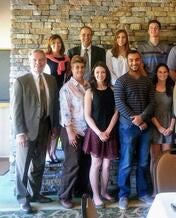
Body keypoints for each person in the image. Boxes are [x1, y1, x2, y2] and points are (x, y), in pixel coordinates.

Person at [12, 49, 59, 213]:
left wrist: (54, 126)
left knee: (39, 164)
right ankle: (22, 198)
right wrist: (20, 132)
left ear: (45, 62)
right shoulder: (21, 82)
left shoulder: (51, 80)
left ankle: (35, 194)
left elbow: (54, 105)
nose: (37, 63)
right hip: (26, 131)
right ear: (29, 61)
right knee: (23, 166)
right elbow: (16, 110)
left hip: (45, 128)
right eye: (34, 60)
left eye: (41, 60)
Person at [114, 50, 155, 210]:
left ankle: (143, 193)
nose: (134, 63)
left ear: (141, 61)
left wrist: (142, 118)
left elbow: (152, 103)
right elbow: (120, 104)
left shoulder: (147, 81)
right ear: (127, 61)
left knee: (144, 162)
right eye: (131, 60)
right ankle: (123, 195)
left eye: (137, 60)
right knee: (126, 162)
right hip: (127, 128)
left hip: (145, 127)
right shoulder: (121, 81)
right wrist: (136, 120)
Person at [83, 62, 119, 207]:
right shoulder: (89, 92)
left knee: (106, 166)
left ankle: (104, 192)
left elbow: (116, 112)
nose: (100, 75)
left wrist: (108, 130)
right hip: (95, 133)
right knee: (96, 164)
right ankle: (96, 196)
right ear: (93, 74)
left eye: (103, 72)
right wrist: (99, 133)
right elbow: (87, 116)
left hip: (110, 132)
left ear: (107, 74)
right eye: (97, 72)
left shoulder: (113, 90)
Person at [58, 55, 90, 209]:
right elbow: (65, 112)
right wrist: (70, 132)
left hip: (86, 131)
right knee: (72, 164)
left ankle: (80, 191)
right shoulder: (66, 88)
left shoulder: (88, 85)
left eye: (82, 67)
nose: (80, 70)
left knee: (85, 164)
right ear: (71, 68)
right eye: (77, 67)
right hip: (72, 130)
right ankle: (64, 196)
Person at [44, 34, 70, 164]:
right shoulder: (46, 58)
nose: (56, 45)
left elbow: (68, 77)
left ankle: (53, 152)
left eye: (59, 43)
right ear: (50, 44)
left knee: (58, 125)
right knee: (50, 124)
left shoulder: (66, 59)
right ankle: (47, 153)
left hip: (62, 95)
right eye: (54, 43)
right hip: (50, 94)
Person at [150, 63, 175, 179]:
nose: (163, 74)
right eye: (160, 72)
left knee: (166, 157)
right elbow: (149, 110)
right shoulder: (151, 87)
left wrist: (170, 127)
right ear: (156, 73)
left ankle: (164, 186)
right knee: (155, 158)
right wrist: (159, 127)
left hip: (169, 125)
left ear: (168, 73)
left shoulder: (172, 88)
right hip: (154, 125)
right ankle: (155, 187)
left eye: (165, 72)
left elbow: (175, 110)